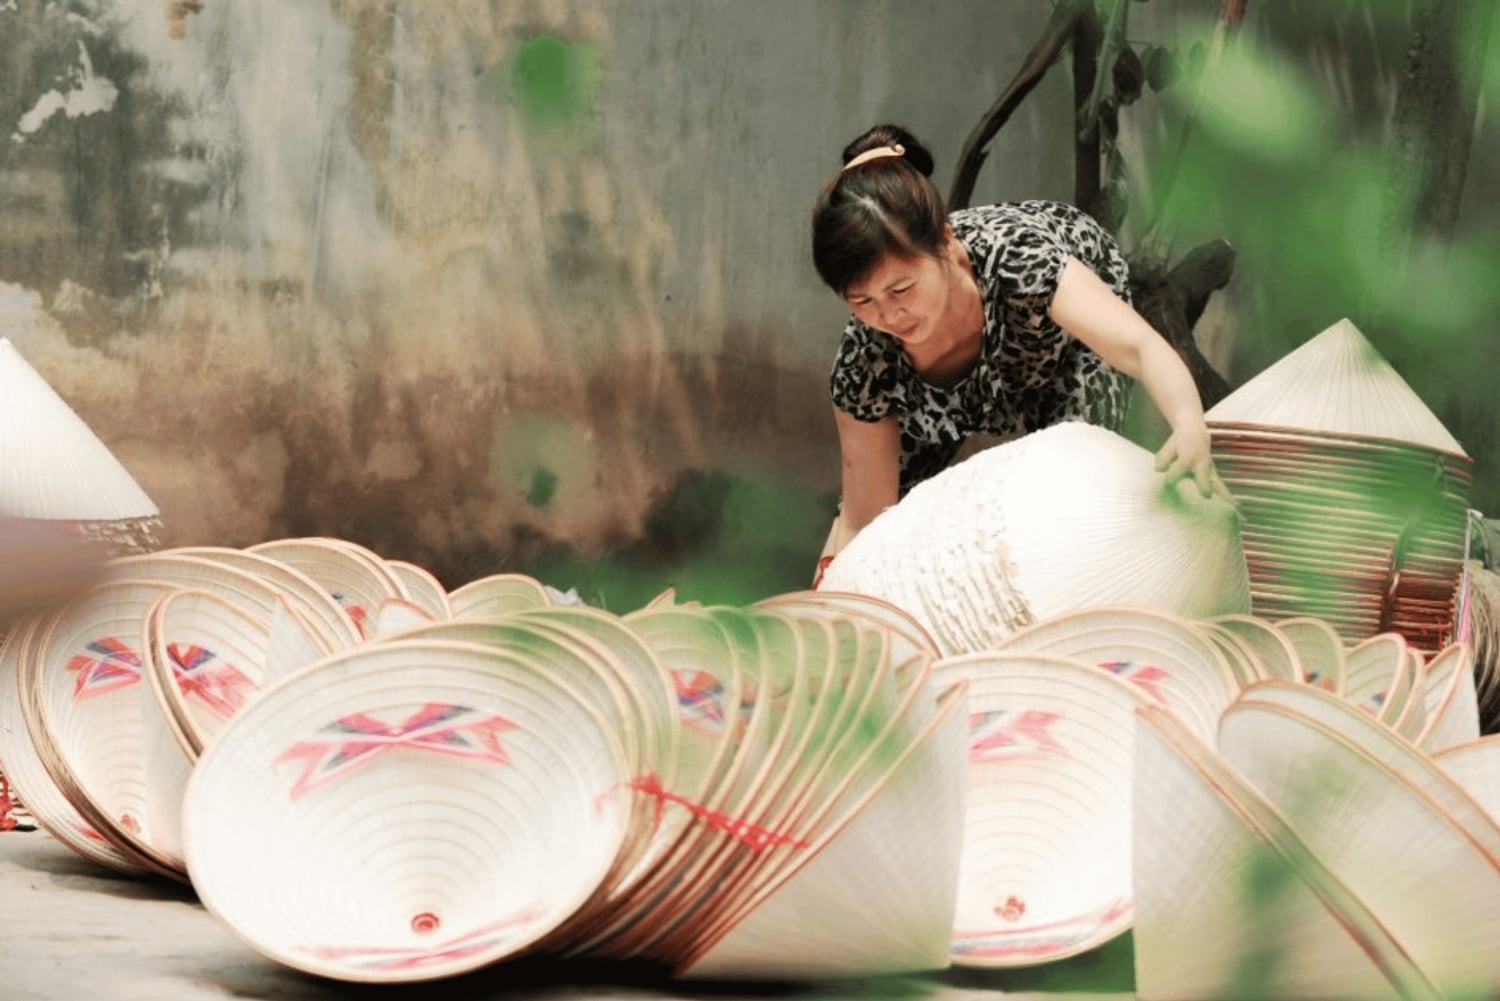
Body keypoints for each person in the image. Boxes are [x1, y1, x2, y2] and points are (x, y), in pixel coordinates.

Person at [811, 123, 1229, 584]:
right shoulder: (866, 360)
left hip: (1057, 341)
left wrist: (1190, 424)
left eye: (902, 288)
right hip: (940, 392)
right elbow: (864, 519)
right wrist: (831, 596)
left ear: (947, 243)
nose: (890, 316)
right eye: (862, 302)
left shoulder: (1021, 262)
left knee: (1077, 492)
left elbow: (1141, 347)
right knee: (888, 536)